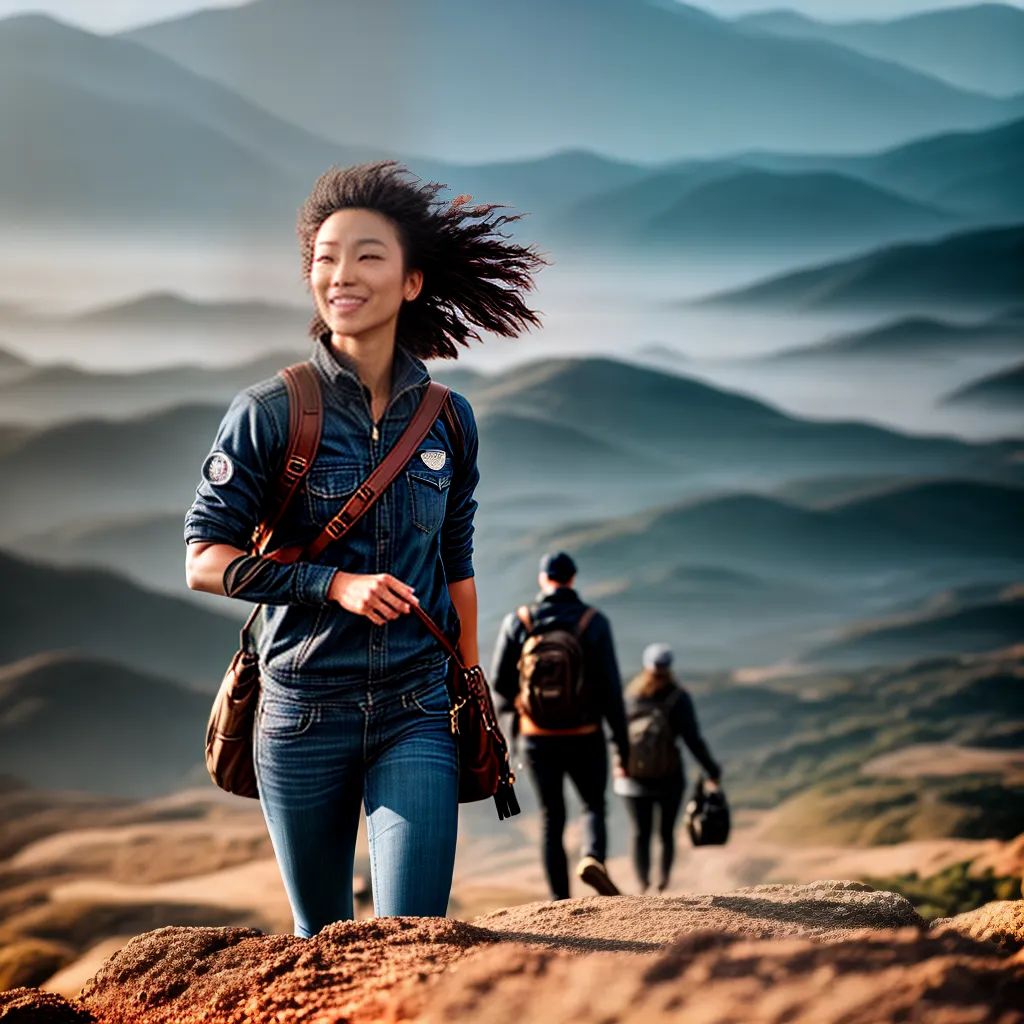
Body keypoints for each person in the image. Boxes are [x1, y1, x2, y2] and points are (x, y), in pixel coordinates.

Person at [183, 161, 544, 935]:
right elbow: (203, 561)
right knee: (320, 939)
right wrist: (333, 585)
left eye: (367, 256)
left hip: (419, 708)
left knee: (413, 935)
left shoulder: (449, 419)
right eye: (326, 258)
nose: (341, 274)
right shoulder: (269, 412)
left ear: (412, 282)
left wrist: (471, 684)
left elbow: (456, 565)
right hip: (301, 711)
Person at [491, 551, 629, 900]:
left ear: (543, 579)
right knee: (593, 805)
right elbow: (611, 691)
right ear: (572, 578)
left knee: (552, 818)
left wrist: (515, 727)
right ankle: (592, 857)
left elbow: (500, 683)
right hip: (586, 735)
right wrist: (622, 746)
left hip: (537, 739)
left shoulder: (519, 622)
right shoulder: (593, 622)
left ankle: (559, 901)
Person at [614, 643, 722, 893]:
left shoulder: (630, 696)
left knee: (640, 833)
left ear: (646, 667)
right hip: (668, 777)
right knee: (665, 833)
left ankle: (642, 884)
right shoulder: (678, 698)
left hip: (632, 778)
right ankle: (662, 883)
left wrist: (620, 763)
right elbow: (693, 740)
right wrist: (712, 770)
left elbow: (617, 734)